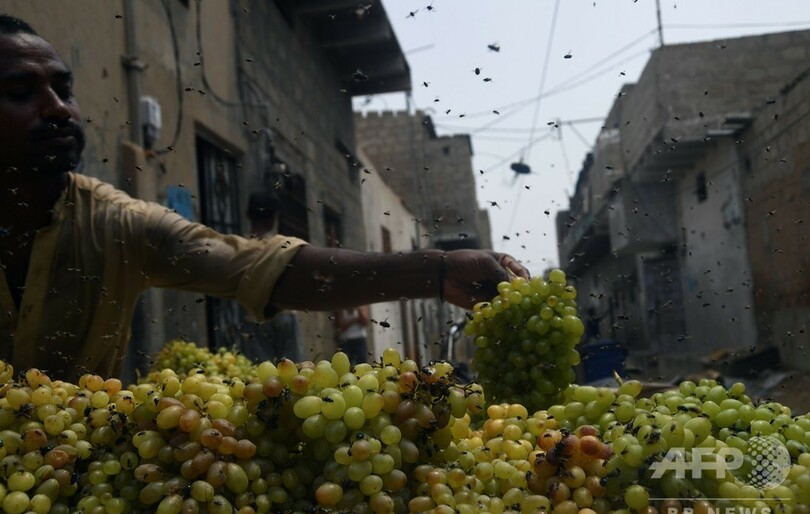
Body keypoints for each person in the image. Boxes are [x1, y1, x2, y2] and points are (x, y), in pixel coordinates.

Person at [0, 15, 529, 380]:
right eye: (23, 93)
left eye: (64, 89)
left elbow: (264, 266)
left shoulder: (114, 224)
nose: (59, 109)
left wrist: (436, 271)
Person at [237, 191, 304, 363]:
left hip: (254, 317)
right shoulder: (282, 245)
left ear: (248, 215)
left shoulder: (240, 246)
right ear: (273, 218)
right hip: (284, 314)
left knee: (262, 376)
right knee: (292, 371)